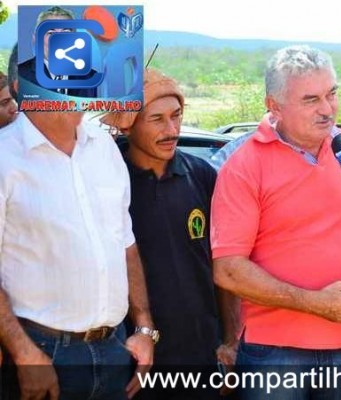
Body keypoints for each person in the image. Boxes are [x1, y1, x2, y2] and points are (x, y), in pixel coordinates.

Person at [211, 45, 341, 400]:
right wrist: (314, 303)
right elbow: (228, 271)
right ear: (274, 106)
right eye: (311, 99)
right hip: (274, 351)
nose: (328, 109)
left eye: (332, 94)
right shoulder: (244, 167)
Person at [100, 68, 237, 399]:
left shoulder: (202, 175)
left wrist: (231, 342)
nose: (172, 129)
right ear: (129, 123)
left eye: (176, 116)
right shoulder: (107, 179)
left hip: (202, 355)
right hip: (135, 356)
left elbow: (224, 262)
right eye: (157, 119)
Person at [0, 108, 156, 399]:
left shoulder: (103, 147)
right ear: (25, 85)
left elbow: (125, 243)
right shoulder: (4, 155)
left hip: (115, 351)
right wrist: (23, 352)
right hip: (42, 353)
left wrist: (145, 327)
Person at [17, 6, 99, 98]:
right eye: (51, 33)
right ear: (36, 39)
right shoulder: (20, 75)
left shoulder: (90, 77)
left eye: (66, 32)